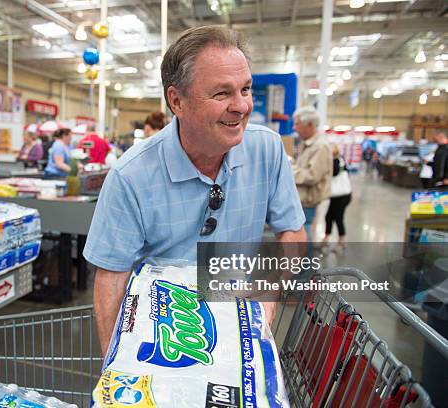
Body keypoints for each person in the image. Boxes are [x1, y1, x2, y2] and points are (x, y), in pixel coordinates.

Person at [83, 26, 306, 355]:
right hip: (164, 334)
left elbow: (292, 232)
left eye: (245, 89)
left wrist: (268, 292)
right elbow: (112, 276)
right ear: (177, 101)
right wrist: (114, 366)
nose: (242, 106)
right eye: (221, 94)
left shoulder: (267, 150)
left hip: (239, 324)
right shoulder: (131, 176)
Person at [291, 106, 333, 241]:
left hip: (308, 200)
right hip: (302, 198)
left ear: (309, 125)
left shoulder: (320, 146)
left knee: (304, 234)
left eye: (297, 124)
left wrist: (290, 170)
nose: (294, 128)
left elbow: (312, 176)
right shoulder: (307, 143)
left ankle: (306, 262)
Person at [323, 144, 352, 248]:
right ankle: (327, 237)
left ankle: (341, 239)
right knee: (329, 216)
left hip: (340, 196)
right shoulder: (341, 159)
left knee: (338, 217)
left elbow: (333, 173)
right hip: (340, 195)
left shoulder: (335, 161)